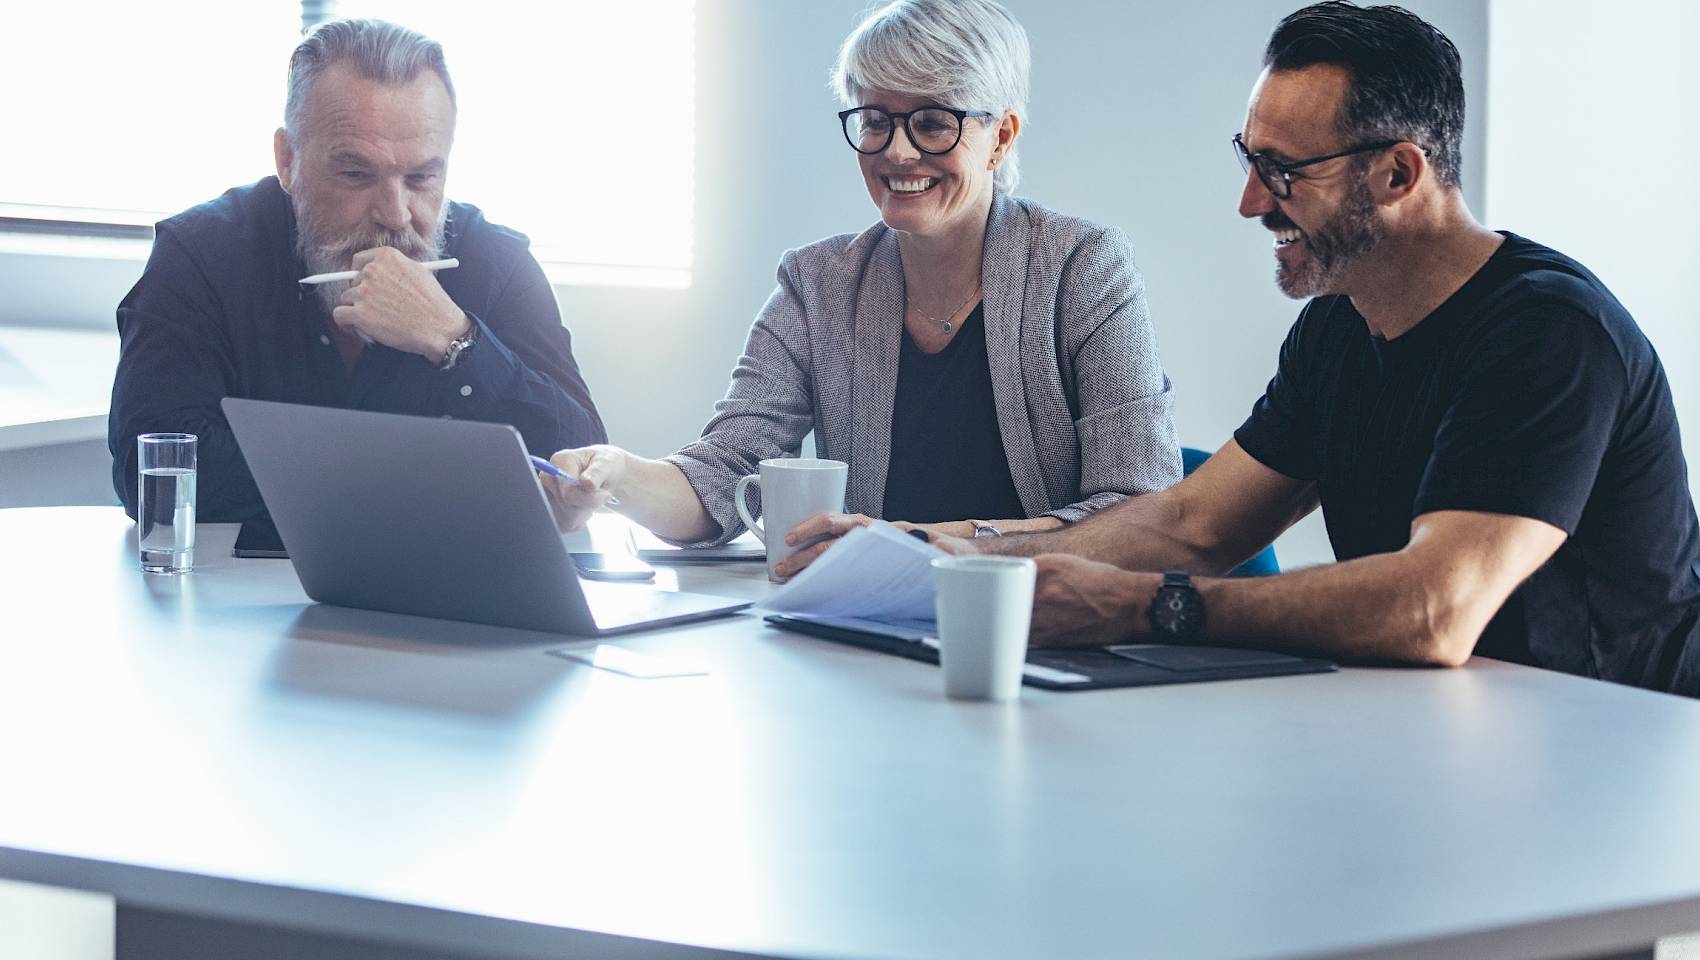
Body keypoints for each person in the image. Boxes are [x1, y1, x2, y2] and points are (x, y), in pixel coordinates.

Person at [944, 1, 1700, 696]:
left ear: (1399, 173)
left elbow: (1434, 610)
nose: (1249, 201)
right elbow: (1194, 526)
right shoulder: (1341, 322)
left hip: (1615, 742)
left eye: (1283, 171)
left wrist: (1145, 606)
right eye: (1248, 157)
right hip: (1442, 727)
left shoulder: (1549, 333)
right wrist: (951, 564)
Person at [544, 0, 1180, 577]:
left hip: (1041, 628)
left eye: (933, 124)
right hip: (873, 623)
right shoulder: (818, 284)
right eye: (876, 120)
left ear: (1001, 137)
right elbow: (725, 474)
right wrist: (615, 475)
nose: (897, 153)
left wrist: (922, 541)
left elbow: (1142, 514)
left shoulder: (1082, 267)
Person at [109, 19, 605, 522]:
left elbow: (581, 466)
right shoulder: (203, 254)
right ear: (288, 159)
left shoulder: (496, 262)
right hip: (237, 590)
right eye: (356, 174)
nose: (395, 213)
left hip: (444, 591)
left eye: (421, 177)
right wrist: (436, 471)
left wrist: (457, 341)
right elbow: (153, 473)